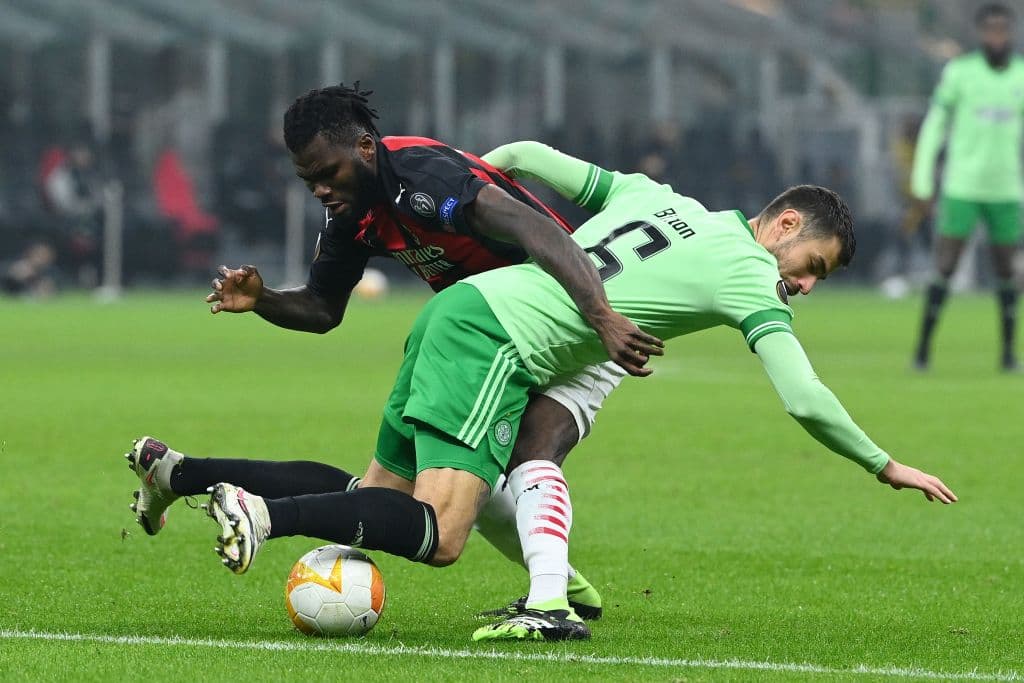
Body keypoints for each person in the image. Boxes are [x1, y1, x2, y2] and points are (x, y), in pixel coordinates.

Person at [126, 142, 956, 643]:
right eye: (810, 266)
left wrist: (464, 177)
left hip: (456, 311)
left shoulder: (656, 197)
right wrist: (885, 464)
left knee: (372, 494)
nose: (803, 286)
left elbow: (524, 159)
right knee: (441, 530)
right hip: (502, 339)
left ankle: (181, 472)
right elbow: (804, 397)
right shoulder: (748, 272)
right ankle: (263, 515)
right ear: (782, 227)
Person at [126, 83, 657, 633]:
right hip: (478, 339)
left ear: (363, 147)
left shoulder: (423, 177)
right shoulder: (353, 215)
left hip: (546, 325)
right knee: (437, 520)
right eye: (308, 180)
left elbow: (535, 226)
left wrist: (600, 315)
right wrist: (263, 301)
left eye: (326, 172)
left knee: (416, 493)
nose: (319, 189)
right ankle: (235, 501)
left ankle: (186, 476)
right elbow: (323, 308)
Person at [911, 2, 1023, 371]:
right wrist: (923, 179)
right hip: (963, 186)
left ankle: (1008, 354)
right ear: (980, 33)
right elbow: (934, 126)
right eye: (990, 30)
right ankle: (923, 350)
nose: (997, 36)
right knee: (945, 264)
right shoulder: (960, 73)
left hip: (1006, 189)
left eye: (1002, 29)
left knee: (1007, 271)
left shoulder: (1021, 76)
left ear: (1011, 32)